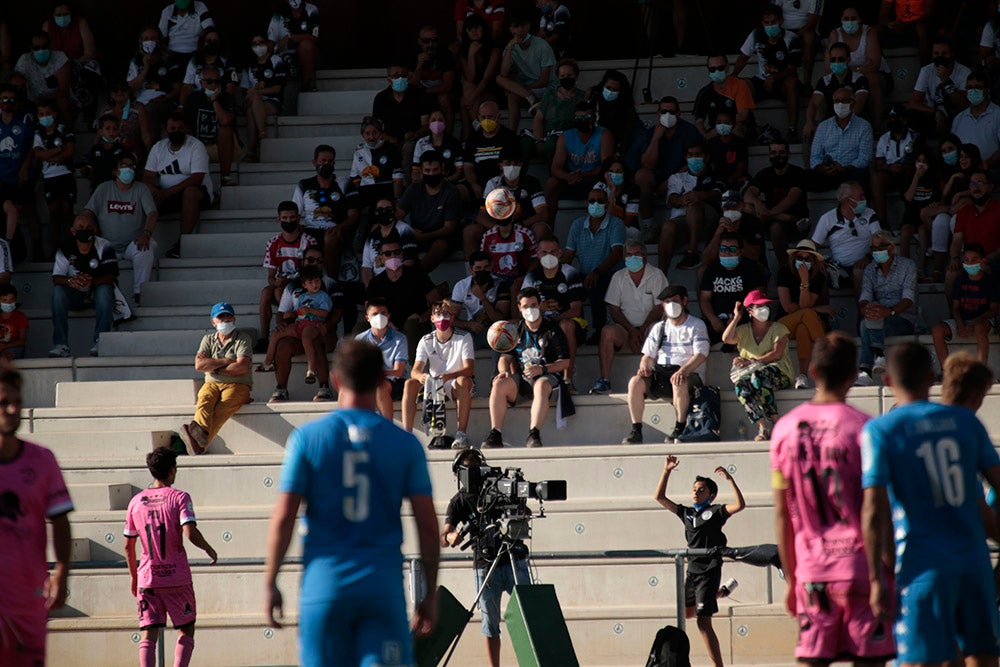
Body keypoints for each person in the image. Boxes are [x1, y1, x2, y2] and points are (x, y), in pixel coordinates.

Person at [264, 339, 440, 666]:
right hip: (381, 589)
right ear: (382, 383)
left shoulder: (307, 438)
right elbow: (428, 528)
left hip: (324, 589)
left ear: (334, 380)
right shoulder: (405, 445)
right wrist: (429, 594)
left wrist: (271, 581)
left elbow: (284, 518)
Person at [861, 342, 1000, 667]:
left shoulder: (882, 429)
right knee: (982, 659)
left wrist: (876, 580)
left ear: (887, 381)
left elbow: (873, 511)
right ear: (932, 376)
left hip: (921, 568)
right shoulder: (965, 423)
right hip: (973, 565)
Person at [771, 332, 896, 667]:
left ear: (812, 370)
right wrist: (882, 575)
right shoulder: (866, 429)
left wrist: (790, 578)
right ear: (854, 374)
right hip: (860, 569)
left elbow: (783, 513)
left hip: (813, 572)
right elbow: (876, 510)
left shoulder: (784, 429)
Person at [0, 367, 72, 667]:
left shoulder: (42, 460)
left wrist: (61, 571)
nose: (14, 409)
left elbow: (60, 520)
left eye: (17, 401)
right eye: (4, 402)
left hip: (28, 596)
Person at [124, 447, 217, 667]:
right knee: (186, 630)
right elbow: (190, 532)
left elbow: (129, 545)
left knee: (149, 633)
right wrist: (209, 549)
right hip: (177, 578)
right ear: (172, 471)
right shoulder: (180, 497)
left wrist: (134, 577)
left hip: (148, 578)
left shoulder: (135, 502)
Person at [442, 448, 531, 667]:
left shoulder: (499, 487)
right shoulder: (459, 501)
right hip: (485, 563)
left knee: (530, 613)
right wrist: (451, 535)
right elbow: (444, 537)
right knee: (490, 625)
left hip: (513, 558)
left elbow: (526, 512)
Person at [653, 456, 745, 667]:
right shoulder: (686, 513)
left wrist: (730, 479)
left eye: (701, 489)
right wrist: (666, 470)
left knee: (704, 623)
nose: (696, 492)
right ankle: (719, 593)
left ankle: (718, 666)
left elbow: (740, 505)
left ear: (711, 495)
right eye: (694, 489)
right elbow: (659, 497)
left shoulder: (716, 511)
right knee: (687, 613)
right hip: (692, 569)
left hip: (709, 568)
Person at [482, 287, 573, 449]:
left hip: (549, 379)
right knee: (499, 384)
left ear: (540, 305)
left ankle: (534, 433)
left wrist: (543, 369)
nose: (530, 309)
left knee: (541, 384)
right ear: (519, 308)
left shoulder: (552, 329)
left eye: (533, 305)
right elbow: (504, 358)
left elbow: (565, 362)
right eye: (525, 306)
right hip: (523, 379)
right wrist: (503, 371)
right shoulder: (515, 330)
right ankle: (495, 433)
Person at [622, 285, 710, 445]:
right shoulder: (659, 327)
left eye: (675, 301)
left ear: (684, 301)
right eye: (667, 302)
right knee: (635, 382)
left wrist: (683, 371)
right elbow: (648, 356)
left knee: (679, 381)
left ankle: (680, 427)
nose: (671, 305)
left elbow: (700, 355)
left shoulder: (696, 325)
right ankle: (636, 430)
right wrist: (644, 367)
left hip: (688, 374)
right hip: (662, 373)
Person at [590, 240, 668, 395]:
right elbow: (614, 309)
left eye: (637, 254)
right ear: (624, 258)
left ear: (645, 257)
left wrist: (642, 329)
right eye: (629, 255)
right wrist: (632, 331)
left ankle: (658, 379)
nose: (633, 258)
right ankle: (604, 380)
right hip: (626, 331)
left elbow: (660, 307)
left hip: (648, 330)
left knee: (658, 329)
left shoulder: (657, 275)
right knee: (607, 331)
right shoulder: (618, 277)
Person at [178, 302, 252, 455]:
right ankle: (200, 438)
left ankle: (198, 441)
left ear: (234, 319)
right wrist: (225, 362)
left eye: (228, 316)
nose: (225, 320)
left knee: (221, 409)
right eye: (220, 317)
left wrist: (212, 367)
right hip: (212, 384)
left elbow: (242, 367)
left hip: (237, 384)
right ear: (213, 322)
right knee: (204, 400)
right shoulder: (208, 339)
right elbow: (199, 365)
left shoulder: (243, 338)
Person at [83, 152, 158, 303]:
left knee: (148, 247)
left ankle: (139, 293)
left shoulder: (141, 189)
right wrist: (92, 229)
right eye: (123, 165)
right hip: (107, 245)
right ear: (114, 171)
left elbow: (152, 213)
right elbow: (88, 212)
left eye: (131, 166)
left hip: (133, 244)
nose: (128, 169)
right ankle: (87, 293)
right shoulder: (104, 188)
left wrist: (146, 233)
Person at [403, 300, 475, 450]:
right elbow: (415, 370)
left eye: (446, 314)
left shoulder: (464, 336)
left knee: (463, 381)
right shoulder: (426, 340)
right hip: (433, 382)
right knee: (410, 383)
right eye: (438, 314)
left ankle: (461, 434)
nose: (442, 317)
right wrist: (421, 377)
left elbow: (469, 369)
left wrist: (448, 376)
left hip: (454, 381)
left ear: (453, 318)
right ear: (432, 318)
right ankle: (406, 436)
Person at [722, 290, 793, 441]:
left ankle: (777, 422)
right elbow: (726, 338)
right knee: (741, 386)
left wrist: (751, 361)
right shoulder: (744, 330)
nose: (764, 309)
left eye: (766, 305)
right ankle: (762, 426)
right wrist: (736, 317)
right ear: (750, 311)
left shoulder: (779, 328)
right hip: (752, 375)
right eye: (759, 306)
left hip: (779, 373)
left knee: (759, 376)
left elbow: (776, 354)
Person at [142, 113, 213, 258]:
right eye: (172, 128)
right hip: (167, 194)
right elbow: (147, 177)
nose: (176, 131)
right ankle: (140, 241)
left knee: (190, 193)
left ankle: (182, 243)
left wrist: (167, 193)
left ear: (186, 128)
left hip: (197, 194)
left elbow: (196, 179)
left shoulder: (196, 146)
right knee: (142, 195)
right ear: (166, 130)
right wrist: (155, 191)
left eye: (180, 128)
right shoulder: (158, 147)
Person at [49, 214, 117, 358]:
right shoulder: (65, 248)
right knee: (58, 292)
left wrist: (91, 282)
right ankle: (61, 345)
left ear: (95, 230)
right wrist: (71, 281)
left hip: (95, 294)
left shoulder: (105, 245)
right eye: (80, 227)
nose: (84, 230)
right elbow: (56, 278)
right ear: (73, 231)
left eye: (88, 227)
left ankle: (101, 342)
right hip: (76, 294)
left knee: (105, 290)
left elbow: (111, 276)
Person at [732, 5, 803, 142]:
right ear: (762, 23)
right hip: (761, 81)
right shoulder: (756, 34)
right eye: (766, 22)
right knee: (742, 84)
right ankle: (748, 128)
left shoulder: (791, 38)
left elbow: (792, 69)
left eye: (773, 22)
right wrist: (733, 76)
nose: (770, 26)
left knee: (792, 82)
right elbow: (743, 57)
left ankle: (792, 129)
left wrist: (773, 78)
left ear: (781, 21)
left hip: (782, 83)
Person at [521, 235, 585, 387]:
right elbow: (523, 305)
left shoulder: (571, 273)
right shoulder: (532, 276)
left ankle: (567, 379)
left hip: (569, 324)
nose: (548, 256)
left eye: (553, 252)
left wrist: (554, 319)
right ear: (538, 254)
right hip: (541, 324)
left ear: (560, 253)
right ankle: (520, 379)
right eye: (544, 252)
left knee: (566, 325)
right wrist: (538, 310)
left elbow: (576, 310)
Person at [855, 231, 918, 386]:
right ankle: (878, 355)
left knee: (866, 324)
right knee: (866, 320)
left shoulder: (907, 266)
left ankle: (865, 369)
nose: (877, 252)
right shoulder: (870, 269)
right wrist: (866, 309)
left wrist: (889, 312)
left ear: (891, 248)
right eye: (873, 249)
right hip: (878, 315)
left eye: (880, 247)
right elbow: (865, 296)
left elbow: (908, 299)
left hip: (903, 318)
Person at [293, 143, 361, 282]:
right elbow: (295, 214)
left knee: (331, 237)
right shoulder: (303, 184)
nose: (326, 164)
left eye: (330, 161)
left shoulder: (345, 183)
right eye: (323, 161)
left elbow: (354, 215)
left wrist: (339, 227)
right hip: (311, 229)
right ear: (314, 163)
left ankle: (331, 282)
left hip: (336, 230)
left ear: (334, 163)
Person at [365, 234, 438, 362]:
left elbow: (436, 302)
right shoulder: (376, 282)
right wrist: (384, 323)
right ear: (381, 258)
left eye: (397, 252)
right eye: (388, 254)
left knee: (411, 324)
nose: (393, 256)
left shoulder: (417, 275)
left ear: (402, 254)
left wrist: (425, 316)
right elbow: (369, 310)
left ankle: (414, 371)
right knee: (359, 329)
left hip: (416, 325)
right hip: (386, 327)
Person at [563, 185, 624, 333]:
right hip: (585, 273)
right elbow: (569, 254)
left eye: (600, 201)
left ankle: (599, 330)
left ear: (607, 204)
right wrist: (561, 275)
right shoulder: (577, 224)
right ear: (587, 204)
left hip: (610, 272)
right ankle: (579, 329)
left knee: (596, 287)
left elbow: (617, 253)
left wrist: (597, 272)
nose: (595, 204)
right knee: (568, 288)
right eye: (592, 201)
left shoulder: (615, 223)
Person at [259, 265, 333, 385]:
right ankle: (268, 362)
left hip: (313, 324)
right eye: (310, 282)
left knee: (307, 338)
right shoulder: (302, 296)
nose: (315, 285)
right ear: (304, 285)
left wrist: (310, 311)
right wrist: (291, 314)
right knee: (277, 334)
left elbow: (324, 313)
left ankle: (311, 370)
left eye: (317, 281)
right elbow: (299, 312)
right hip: (299, 324)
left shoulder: (323, 296)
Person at [257, 201, 316, 351]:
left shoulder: (309, 241)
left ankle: (283, 333)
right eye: (285, 218)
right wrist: (276, 282)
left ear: (298, 217)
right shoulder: (273, 243)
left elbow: (312, 273)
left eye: (292, 217)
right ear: (279, 219)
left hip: (301, 284)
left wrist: (287, 281)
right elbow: (270, 276)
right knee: (266, 292)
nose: (288, 221)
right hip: (281, 284)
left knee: (280, 291)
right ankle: (264, 338)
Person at [467, 146, 547, 255]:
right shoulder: (493, 184)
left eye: (516, 163)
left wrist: (521, 224)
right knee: (470, 231)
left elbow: (542, 213)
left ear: (521, 165)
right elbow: (482, 215)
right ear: (500, 165)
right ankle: (472, 270)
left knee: (541, 228)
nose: (512, 166)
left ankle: (536, 268)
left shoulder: (531, 182)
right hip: (498, 227)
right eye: (507, 163)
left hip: (525, 225)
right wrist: (500, 229)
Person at [633, 96, 701, 224]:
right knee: (641, 176)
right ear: (658, 114)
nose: (668, 115)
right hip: (659, 176)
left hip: (682, 175)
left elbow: (696, 160)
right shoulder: (652, 132)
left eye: (672, 112)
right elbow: (647, 164)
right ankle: (649, 225)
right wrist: (656, 138)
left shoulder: (689, 131)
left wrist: (671, 180)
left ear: (679, 114)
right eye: (664, 112)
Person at [544, 101, 614, 224]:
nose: (583, 120)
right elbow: (555, 168)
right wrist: (568, 176)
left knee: (606, 183)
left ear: (594, 118)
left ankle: (600, 226)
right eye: (579, 117)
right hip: (572, 179)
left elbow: (606, 166)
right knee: (551, 183)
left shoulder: (604, 134)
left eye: (587, 117)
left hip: (595, 179)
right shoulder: (566, 136)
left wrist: (584, 175)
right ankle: (549, 226)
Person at [745, 140, 810, 270]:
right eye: (773, 153)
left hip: (797, 222)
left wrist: (767, 213)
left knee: (776, 228)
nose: (777, 156)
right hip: (775, 218)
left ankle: (785, 267)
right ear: (769, 155)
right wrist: (758, 203)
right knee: (747, 208)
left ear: (789, 154)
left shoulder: (798, 173)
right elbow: (748, 195)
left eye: (781, 152)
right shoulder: (764, 174)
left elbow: (791, 199)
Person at [931, 243, 999, 365]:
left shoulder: (990, 281)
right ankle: (946, 370)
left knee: (979, 328)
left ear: (982, 261)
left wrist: (974, 323)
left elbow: (994, 309)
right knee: (937, 330)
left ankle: (981, 368)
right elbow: (955, 308)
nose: (970, 263)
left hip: (984, 321)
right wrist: (960, 325)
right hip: (963, 320)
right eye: (967, 260)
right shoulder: (960, 280)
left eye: (974, 260)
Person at [777, 240, 832, 389]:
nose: (802, 262)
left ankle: (802, 375)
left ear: (813, 261)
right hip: (784, 324)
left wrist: (805, 281)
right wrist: (818, 308)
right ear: (793, 259)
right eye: (799, 258)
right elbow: (789, 307)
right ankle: (826, 357)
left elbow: (803, 305)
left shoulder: (818, 277)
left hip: (804, 323)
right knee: (807, 313)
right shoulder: (784, 272)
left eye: (807, 259)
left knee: (803, 327)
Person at [662, 141, 723, 272]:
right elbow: (671, 198)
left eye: (697, 154)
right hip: (683, 223)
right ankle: (661, 276)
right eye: (690, 155)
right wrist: (680, 199)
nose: (694, 158)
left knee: (694, 206)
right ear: (686, 158)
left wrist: (701, 196)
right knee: (668, 226)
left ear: (706, 157)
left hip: (708, 221)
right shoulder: (677, 177)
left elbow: (719, 193)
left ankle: (692, 252)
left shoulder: (715, 174)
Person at [827, 6, 891, 130]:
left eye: (853, 18)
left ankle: (878, 127)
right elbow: (829, 68)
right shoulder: (835, 34)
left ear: (860, 19)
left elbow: (874, 64)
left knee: (871, 79)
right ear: (841, 20)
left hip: (877, 78)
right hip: (847, 78)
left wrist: (850, 70)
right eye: (846, 18)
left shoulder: (870, 32)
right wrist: (858, 69)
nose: (849, 22)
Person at [397, 150, 461, 273]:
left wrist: (422, 236)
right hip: (418, 235)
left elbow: (449, 228)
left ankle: (417, 277)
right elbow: (399, 213)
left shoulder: (451, 192)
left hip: (443, 237)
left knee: (440, 245)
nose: (431, 174)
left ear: (442, 169)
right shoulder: (414, 188)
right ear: (421, 171)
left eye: (435, 170)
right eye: (427, 171)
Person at [698, 232, 767, 347]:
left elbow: (758, 295)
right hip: (717, 320)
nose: (727, 253)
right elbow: (704, 298)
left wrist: (737, 319)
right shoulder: (712, 269)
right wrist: (713, 319)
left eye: (732, 249)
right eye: (723, 249)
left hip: (744, 318)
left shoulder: (751, 268)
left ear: (741, 252)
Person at [811, 181, 881, 293]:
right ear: (848, 200)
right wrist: (819, 261)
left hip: (867, 262)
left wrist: (867, 257)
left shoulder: (870, 213)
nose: (864, 199)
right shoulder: (828, 218)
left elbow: (879, 239)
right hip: (839, 267)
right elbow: (813, 245)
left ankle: (861, 310)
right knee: (820, 272)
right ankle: (824, 309)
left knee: (859, 272)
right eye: (861, 196)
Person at [496, 11, 555, 131]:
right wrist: (509, 47)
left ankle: (530, 99)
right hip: (528, 94)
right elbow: (503, 74)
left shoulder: (542, 45)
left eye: (523, 25)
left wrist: (524, 91)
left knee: (514, 93)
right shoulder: (511, 47)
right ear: (511, 29)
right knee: (499, 80)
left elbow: (544, 80)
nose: (520, 29)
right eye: (516, 26)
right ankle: (512, 134)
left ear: (528, 26)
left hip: (546, 90)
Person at [804, 42, 871, 146]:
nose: (836, 62)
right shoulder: (824, 80)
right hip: (830, 124)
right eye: (833, 59)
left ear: (848, 60)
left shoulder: (859, 79)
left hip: (853, 124)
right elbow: (813, 104)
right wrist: (809, 123)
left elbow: (858, 105)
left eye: (841, 59)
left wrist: (839, 126)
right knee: (807, 133)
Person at [807, 87, 874, 192]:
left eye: (845, 101)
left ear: (853, 103)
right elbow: (815, 156)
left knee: (862, 176)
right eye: (837, 101)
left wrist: (845, 169)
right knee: (805, 176)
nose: (840, 105)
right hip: (827, 172)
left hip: (850, 172)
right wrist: (823, 169)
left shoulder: (864, 126)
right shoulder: (823, 126)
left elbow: (865, 158)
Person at [33, 97, 76, 256]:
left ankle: (71, 248)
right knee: (54, 214)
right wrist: (58, 151)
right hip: (49, 178)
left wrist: (49, 156)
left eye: (48, 113)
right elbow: (38, 154)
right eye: (41, 114)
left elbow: (70, 151)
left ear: (55, 114)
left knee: (67, 212)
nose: (45, 117)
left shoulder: (64, 129)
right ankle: (56, 250)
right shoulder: (38, 133)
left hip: (66, 175)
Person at [183, 65, 239, 186]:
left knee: (225, 131)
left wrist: (214, 101)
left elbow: (224, 121)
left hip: (222, 147)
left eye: (217, 81)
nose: (213, 85)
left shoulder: (227, 98)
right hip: (199, 147)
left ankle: (225, 176)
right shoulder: (193, 98)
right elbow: (184, 124)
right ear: (202, 83)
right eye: (209, 81)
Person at [947, 170, 1000, 296]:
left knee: (983, 269)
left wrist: (985, 260)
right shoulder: (964, 212)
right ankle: (954, 314)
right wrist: (954, 259)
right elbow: (956, 242)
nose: (976, 188)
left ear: (990, 187)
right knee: (951, 273)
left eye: (980, 183)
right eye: (972, 184)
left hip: (994, 260)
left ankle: (989, 313)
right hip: (970, 260)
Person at [355, 298, 408, 420]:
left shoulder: (400, 339)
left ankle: (387, 430)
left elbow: (398, 372)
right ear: (367, 318)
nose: (379, 317)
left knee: (380, 386)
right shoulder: (360, 340)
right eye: (374, 314)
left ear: (389, 316)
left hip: (394, 383)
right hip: (368, 383)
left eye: (383, 313)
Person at [0, 81, 35, 264]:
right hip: (2, 179)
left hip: (20, 177)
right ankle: (8, 249)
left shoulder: (24, 120)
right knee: (9, 211)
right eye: (4, 98)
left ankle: (35, 254)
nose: (7, 102)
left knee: (27, 212)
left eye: (11, 99)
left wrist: (24, 168)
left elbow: (31, 147)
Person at [526, 58, 584, 164]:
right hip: (548, 135)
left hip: (570, 137)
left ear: (576, 76)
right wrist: (538, 141)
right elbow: (538, 119)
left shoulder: (582, 97)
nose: (566, 78)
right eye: (562, 76)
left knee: (553, 146)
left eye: (570, 75)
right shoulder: (549, 96)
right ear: (558, 78)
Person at [909, 36, 969, 136]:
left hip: (957, 117)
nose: (940, 57)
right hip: (934, 117)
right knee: (911, 116)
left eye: (944, 53)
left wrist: (946, 80)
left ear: (952, 54)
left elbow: (964, 105)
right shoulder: (926, 71)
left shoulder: (964, 72)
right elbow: (914, 103)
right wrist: (936, 112)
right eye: (936, 54)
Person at [372, 61, 428, 169]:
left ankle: (406, 183)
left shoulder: (418, 94)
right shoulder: (381, 98)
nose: (400, 79)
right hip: (390, 140)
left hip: (413, 140)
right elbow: (376, 127)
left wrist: (414, 134)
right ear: (389, 79)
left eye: (403, 75)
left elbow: (426, 124)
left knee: (408, 148)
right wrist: (388, 138)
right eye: (396, 76)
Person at [241, 35, 288, 163]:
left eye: (261, 42)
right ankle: (262, 135)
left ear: (267, 43)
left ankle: (251, 150)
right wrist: (254, 93)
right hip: (251, 99)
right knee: (253, 99)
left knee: (251, 111)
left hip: (272, 101)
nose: (258, 46)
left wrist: (258, 91)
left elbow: (277, 88)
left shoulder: (276, 60)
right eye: (254, 43)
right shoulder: (249, 65)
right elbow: (244, 90)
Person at [452, 250, 512, 348]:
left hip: (496, 330)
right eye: (478, 268)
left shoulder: (501, 284)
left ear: (491, 267)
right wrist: (469, 324)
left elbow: (500, 319)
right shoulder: (461, 286)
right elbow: (452, 319)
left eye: (486, 267)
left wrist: (483, 298)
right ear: (471, 270)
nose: (482, 271)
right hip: (472, 329)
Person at [463, 100, 520, 201]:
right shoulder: (472, 139)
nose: (486, 120)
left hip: (500, 184)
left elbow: (508, 167)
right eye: (483, 117)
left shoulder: (509, 138)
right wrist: (473, 185)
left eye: (490, 117)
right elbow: (468, 167)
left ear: (498, 116)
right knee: (457, 191)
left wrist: (493, 186)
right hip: (477, 183)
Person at [872, 104, 919, 223]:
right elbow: (879, 163)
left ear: (905, 119)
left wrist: (904, 167)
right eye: (890, 118)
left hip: (909, 172)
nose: (893, 121)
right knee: (877, 179)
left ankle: (910, 221)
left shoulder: (915, 137)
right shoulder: (883, 139)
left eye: (897, 118)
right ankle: (882, 222)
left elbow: (921, 160)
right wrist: (890, 167)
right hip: (891, 173)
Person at [457, 14, 501, 140]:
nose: (474, 32)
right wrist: (471, 54)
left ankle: (475, 130)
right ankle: (477, 127)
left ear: (483, 28)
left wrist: (471, 98)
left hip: (490, 89)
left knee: (465, 101)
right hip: (473, 92)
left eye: (477, 28)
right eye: (470, 29)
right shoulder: (464, 51)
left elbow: (486, 78)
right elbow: (470, 78)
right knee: (466, 89)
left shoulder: (493, 48)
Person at [15, 31, 72, 123]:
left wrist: (43, 100)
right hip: (32, 101)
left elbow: (63, 90)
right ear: (31, 48)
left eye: (44, 47)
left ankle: (67, 131)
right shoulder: (25, 60)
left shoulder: (59, 57)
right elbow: (16, 83)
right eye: (36, 48)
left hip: (54, 99)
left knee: (63, 101)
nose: (41, 50)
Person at [692, 54, 755, 138]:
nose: (717, 71)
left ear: (727, 67)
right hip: (715, 132)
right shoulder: (705, 92)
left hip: (737, 129)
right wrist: (705, 136)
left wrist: (724, 126)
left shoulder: (740, 85)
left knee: (738, 129)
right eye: (712, 69)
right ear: (708, 70)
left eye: (720, 68)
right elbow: (698, 120)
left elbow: (743, 115)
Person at [351, 116, 405, 207]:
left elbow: (398, 178)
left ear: (380, 133)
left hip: (386, 190)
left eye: (374, 133)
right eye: (367, 133)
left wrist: (396, 199)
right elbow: (355, 178)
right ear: (363, 135)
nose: (371, 137)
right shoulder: (358, 151)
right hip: (366, 191)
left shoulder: (390, 149)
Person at [361, 199, 418, 286]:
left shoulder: (405, 230)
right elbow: (366, 267)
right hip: (377, 285)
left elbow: (409, 262)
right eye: (380, 209)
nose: (384, 212)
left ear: (394, 211)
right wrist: (370, 290)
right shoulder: (372, 235)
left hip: (400, 283)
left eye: (388, 209)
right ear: (375, 212)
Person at [268, 0, 320, 91]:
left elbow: (314, 37)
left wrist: (290, 37)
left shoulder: (311, 10)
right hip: (283, 53)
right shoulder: (279, 12)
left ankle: (306, 85)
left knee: (306, 45)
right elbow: (272, 39)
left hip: (305, 54)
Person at [411, 26, 455, 130]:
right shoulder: (414, 55)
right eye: (426, 41)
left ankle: (448, 137)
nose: (430, 44)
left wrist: (425, 91)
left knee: (444, 98)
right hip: (420, 93)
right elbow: (412, 85)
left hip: (436, 92)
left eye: (434, 41)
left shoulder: (446, 54)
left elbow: (448, 86)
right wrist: (418, 67)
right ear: (419, 41)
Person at [100, 83, 153, 160]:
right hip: (110, 150)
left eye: (123, 90)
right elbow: (100, 135)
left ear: (129, 92)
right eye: (115, 90)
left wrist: (152, 156)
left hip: (132, 151)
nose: (119, 92)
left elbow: (146, 136)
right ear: (111, 94)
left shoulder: (138, 108)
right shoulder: (105, 110)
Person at [705, 109, 748, 190]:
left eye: (726, 123)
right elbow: (706, 164)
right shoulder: (711, 143)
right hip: (715, 180)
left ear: (733, 124)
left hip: (734, 180)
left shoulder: (740, 143)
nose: (722, 125)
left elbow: (741, 168)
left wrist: (727, 181)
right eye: (719, 122)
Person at [84, 114, 128, 190]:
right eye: (108, 129)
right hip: (98, 188)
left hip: (116, 189)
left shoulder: (122, 150)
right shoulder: (95, 149)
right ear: (101, 131)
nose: (111, 132)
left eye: (115, 129)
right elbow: (90, 169)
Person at [0, 284, 27, 360]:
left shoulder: (20, 317)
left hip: (13, 348)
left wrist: (4, 346)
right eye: (4, 300)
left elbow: (22, 340)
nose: (8, 303)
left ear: (15, 300)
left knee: (7, 355)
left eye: (11, 300)